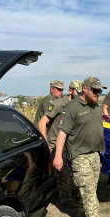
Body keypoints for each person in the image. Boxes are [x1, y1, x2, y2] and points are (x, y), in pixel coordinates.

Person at [53, 76, 107, 217]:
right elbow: (62, 133)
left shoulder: (97, 106)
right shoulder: (71, 108)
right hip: (79, 155)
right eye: (95, 90)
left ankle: (84, 210)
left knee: (92, 185)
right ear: (85, 88)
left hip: (94, 153)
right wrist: (58, 156)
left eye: (100, 90)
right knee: (87, 187)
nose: (98, 93)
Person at [38, 80, 82, 208]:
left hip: (71, 143)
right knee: (63, 173)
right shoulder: (58, 103)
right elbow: (42, 123)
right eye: (77, 92)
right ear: (71, 91)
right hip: (57, 143)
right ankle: (66, 199)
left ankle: (74, 193)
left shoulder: (77, 104)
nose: (79, 95)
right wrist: (47, 144)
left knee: (74, 170)